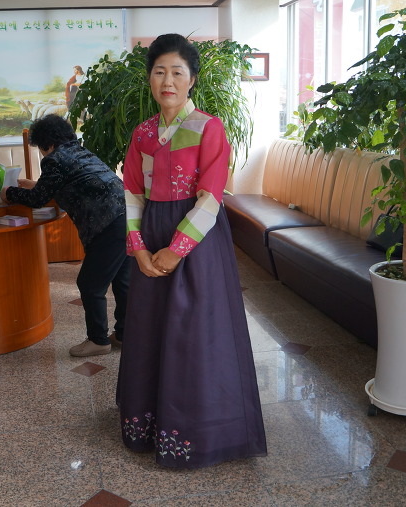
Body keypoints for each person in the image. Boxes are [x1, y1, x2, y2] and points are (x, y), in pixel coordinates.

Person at [116, 33, 267, 468]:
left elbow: (211, 196)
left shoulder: (208, 127)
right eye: (159, 72)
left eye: (177, 72)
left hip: (197, 244)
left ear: (192, 79)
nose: (168, 81)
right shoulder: (143, 134)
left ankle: (201, 433)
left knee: (195, 333)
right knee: (150, 329)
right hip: (151, 236)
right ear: (150, 79)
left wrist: (176, 250)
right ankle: (149, 425)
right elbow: (132, 192)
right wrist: (139, 248)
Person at [1, 114, 130, 357]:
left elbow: (38, 199)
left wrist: (9, 193)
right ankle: (125, 334)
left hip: (107, 223)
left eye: (40, 148)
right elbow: (67, 184)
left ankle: (98, 341)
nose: (42, 152)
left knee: (90, 284)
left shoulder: (54, 159)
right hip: (127, 216)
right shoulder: (79, 152)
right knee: (123, 280)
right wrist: (34, 184)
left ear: (46, 143)